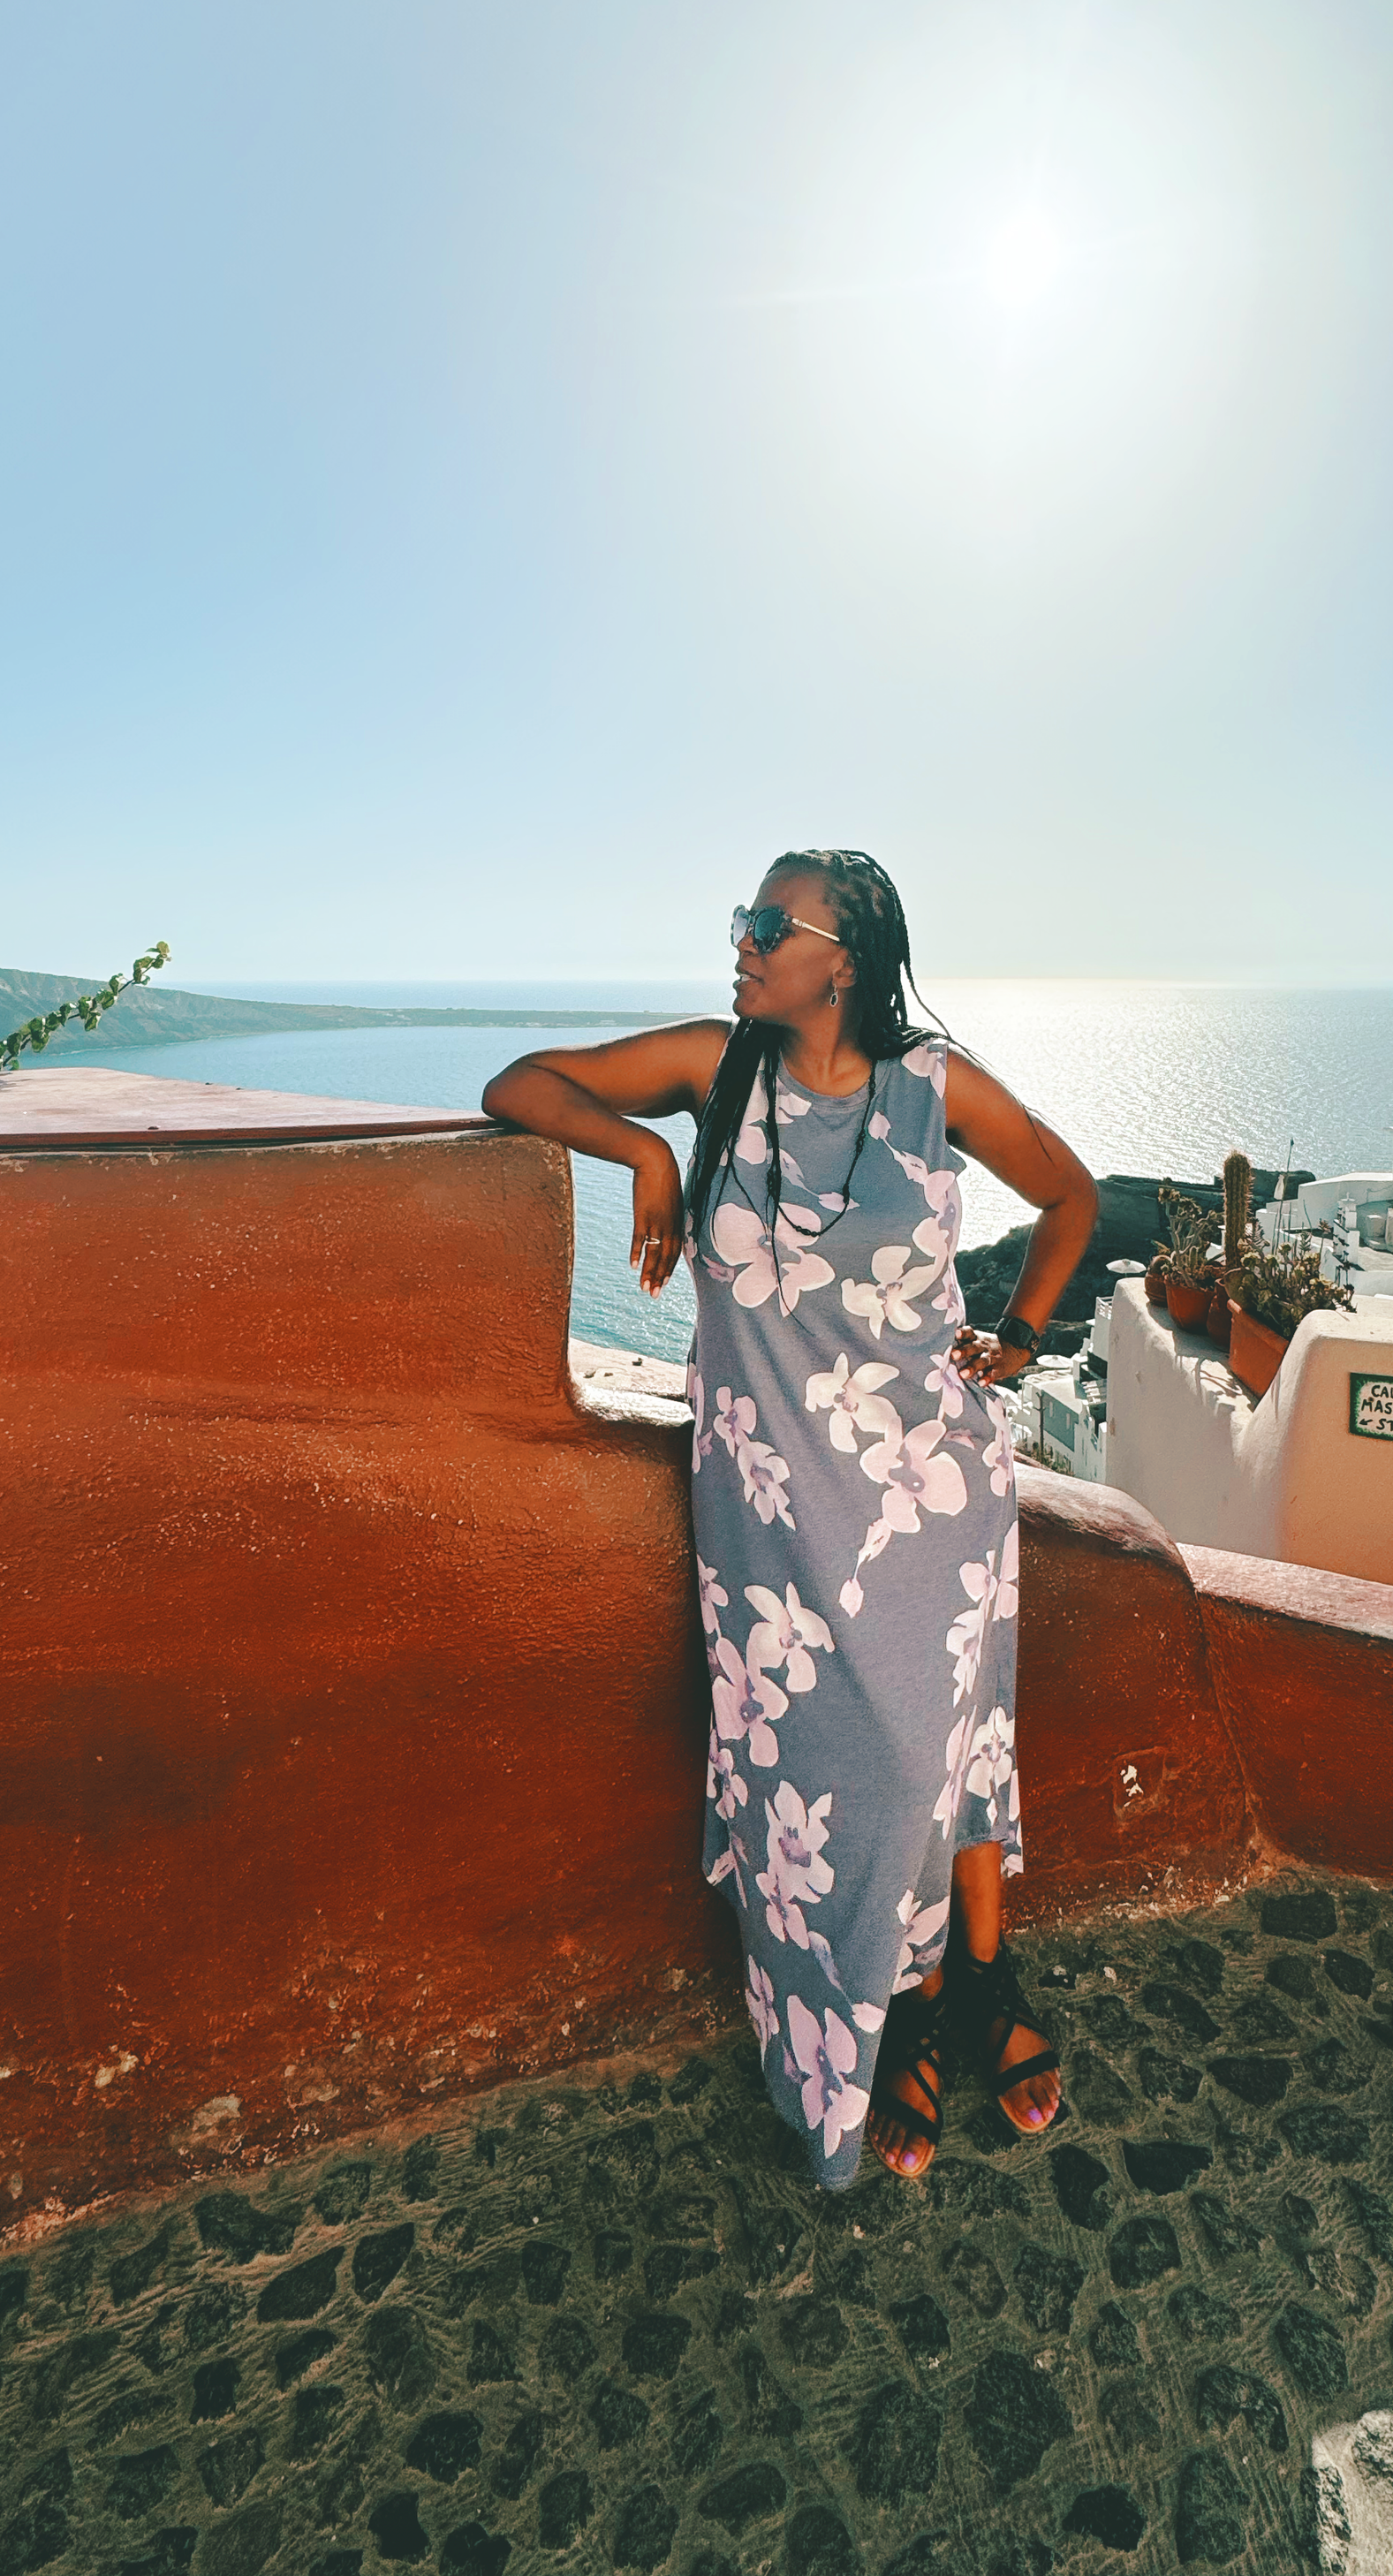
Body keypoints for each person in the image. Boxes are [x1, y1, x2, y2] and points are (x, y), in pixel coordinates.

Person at [483, 849, 1097, 2185]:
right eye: (743, 919)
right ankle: (903, 2006)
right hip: (772, 1517)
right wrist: (643, 1150)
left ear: (846, 959)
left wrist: (1025, 1338)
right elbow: (520, 1085)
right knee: (842, 1768)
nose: (743, 942)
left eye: (771, 922)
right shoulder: (720, 1069)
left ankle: (973, 1983)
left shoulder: (937, 1089)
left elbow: (1071, 1198)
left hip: (933, 1487)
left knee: (947, 1746)